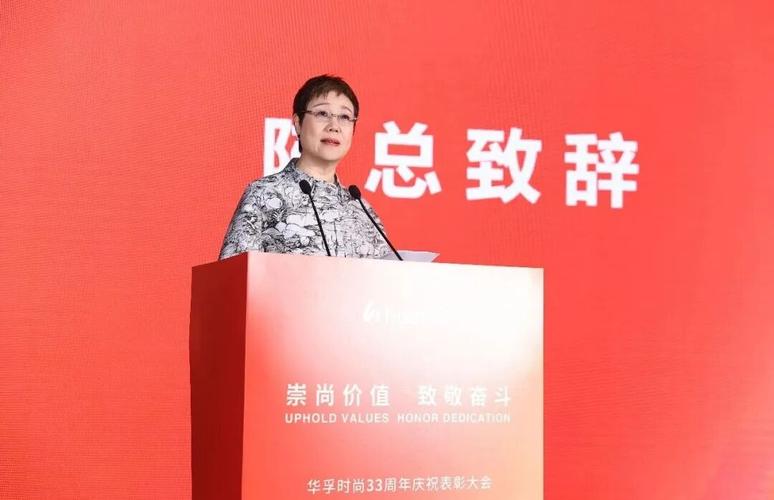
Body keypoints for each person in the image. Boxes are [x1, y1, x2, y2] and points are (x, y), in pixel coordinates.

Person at [218, 75, 392, 260]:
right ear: (298, 123)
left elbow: (386, 275)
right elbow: (234, 273)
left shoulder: (363, 211)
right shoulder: (264, 194)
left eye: (344, 117)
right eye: (322, 114)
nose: (334, 126)